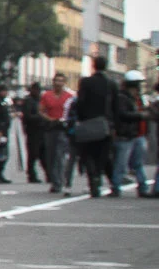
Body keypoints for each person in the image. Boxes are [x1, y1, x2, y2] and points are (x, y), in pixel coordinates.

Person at [70, 57, 115, 198]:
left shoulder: (86, 82)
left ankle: (92, 179)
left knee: (87, 154)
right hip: (104, 124)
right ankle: (99, 177)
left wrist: (81, 118)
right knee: (103, 154)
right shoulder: (111, 84)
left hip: (87, 122)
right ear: (106, 66)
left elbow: (80, 102)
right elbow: (116, 106)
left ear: (94, 66)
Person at [109, 70, 148, 198]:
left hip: (137, 134)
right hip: (126, 135)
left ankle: (142, 187)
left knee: (137, 164)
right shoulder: (122, 98)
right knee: (121, 163)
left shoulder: (136, 98)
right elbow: (122, 114)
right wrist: (140, 115)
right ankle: (116, 187)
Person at [40, 73, 74, 193]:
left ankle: (59, 181)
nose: (58, 83)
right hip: (50, 128)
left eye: (61, 81)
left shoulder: (69, 96)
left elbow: (72, 112)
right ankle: (54, 179)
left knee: (60, 155)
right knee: (50, 156)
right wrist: (49, 119)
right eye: (56, 81)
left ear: (64, 83)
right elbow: (41, 111)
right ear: (53, 82)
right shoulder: (46, 95)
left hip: (63, 129)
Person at [20, 82, 46, 184]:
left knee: (43, 153)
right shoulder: (28, 101)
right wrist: (40, 117)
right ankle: (31, 175)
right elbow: (27, 116)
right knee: (33, 153)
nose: (38, 92)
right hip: (32, 130)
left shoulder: (40, 100)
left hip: (41, 130)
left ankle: (49, 173)